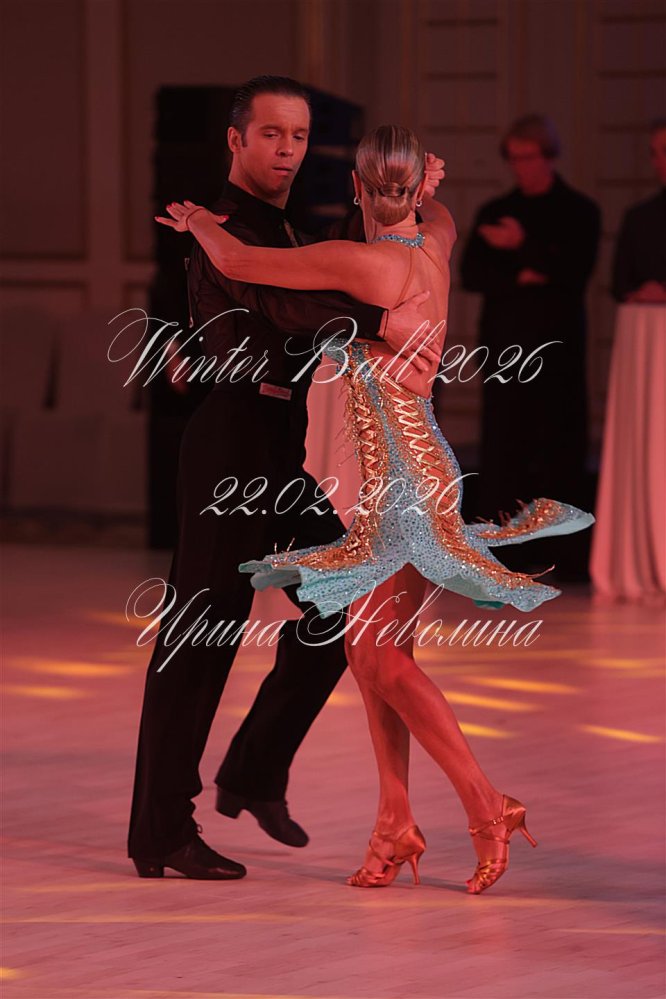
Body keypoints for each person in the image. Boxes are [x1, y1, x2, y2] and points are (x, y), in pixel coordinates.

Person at [158, 124, 594, 894]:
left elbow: (241, 262)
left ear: (356, 188)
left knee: (383, 659)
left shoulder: (365, 262)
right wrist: (431, 194)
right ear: (415, 191)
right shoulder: (434, 246)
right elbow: (444, 216)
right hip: (416, 472)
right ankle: (394, 820)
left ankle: (488, 804)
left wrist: (196, 222)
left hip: (398, 487)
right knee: (372, 658)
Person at [128, 77, 443, 881]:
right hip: (230, 440)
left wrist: (411, 198)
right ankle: (161, 830)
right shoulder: (219, 224)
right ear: (236, 140)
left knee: (340, 604)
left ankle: (254, 770)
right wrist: (380, 318)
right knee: (202, 632)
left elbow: (346, 257)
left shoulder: (290, 228)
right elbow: (279, 302)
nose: (287, 150)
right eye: (271, 134)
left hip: (278, 444)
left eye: (298, 136)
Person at [459, 115, 600, 576]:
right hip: (505, 351)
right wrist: (526, 273)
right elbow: (472, 274)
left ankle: (563, 556)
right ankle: (503, 555)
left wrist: (522, 245)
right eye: (514, 158)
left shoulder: (578, 211)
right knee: (504, 451)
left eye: (529, 157)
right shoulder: (496, 209)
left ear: (549, 156)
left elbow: (573, 273)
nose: (521, 167)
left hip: (557, 353)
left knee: (560, 450)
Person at [611, 119, 666, 304]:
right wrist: (641, 293)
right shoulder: (638, 218)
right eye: (654, 154)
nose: (658, 162)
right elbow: (619, 285)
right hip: (647, 318)